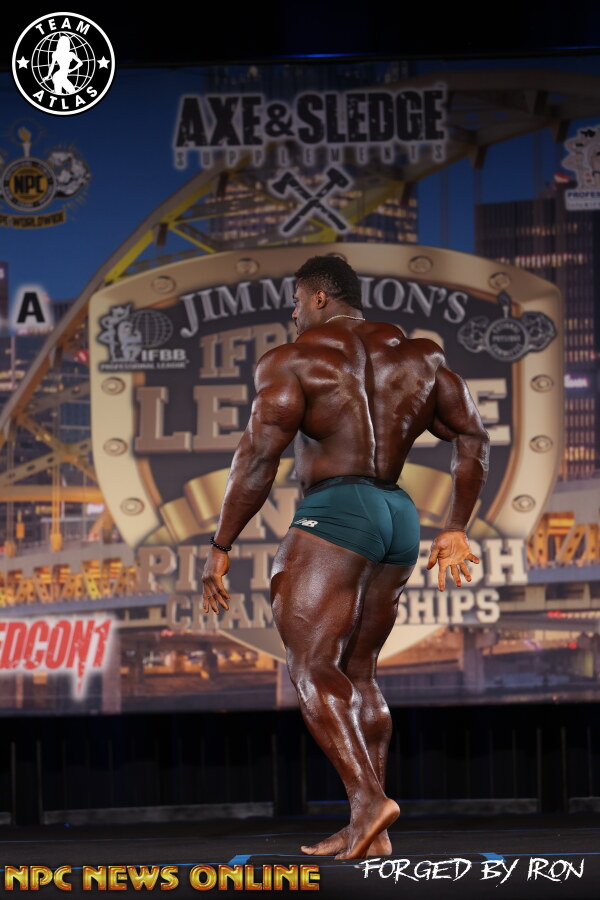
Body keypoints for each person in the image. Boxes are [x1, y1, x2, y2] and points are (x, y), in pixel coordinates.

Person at [201, 255, 490, 860]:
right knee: (359, 674)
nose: (292, 314)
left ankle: (367, 803)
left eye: (295, 302)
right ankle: (372, 831)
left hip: (338, 510)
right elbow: (472, 436)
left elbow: (257, 459)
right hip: (397, 515)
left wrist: (220, 546)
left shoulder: (293, 359)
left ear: (318, 298)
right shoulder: (422, 356)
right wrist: (456, 526)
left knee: (311, 666)